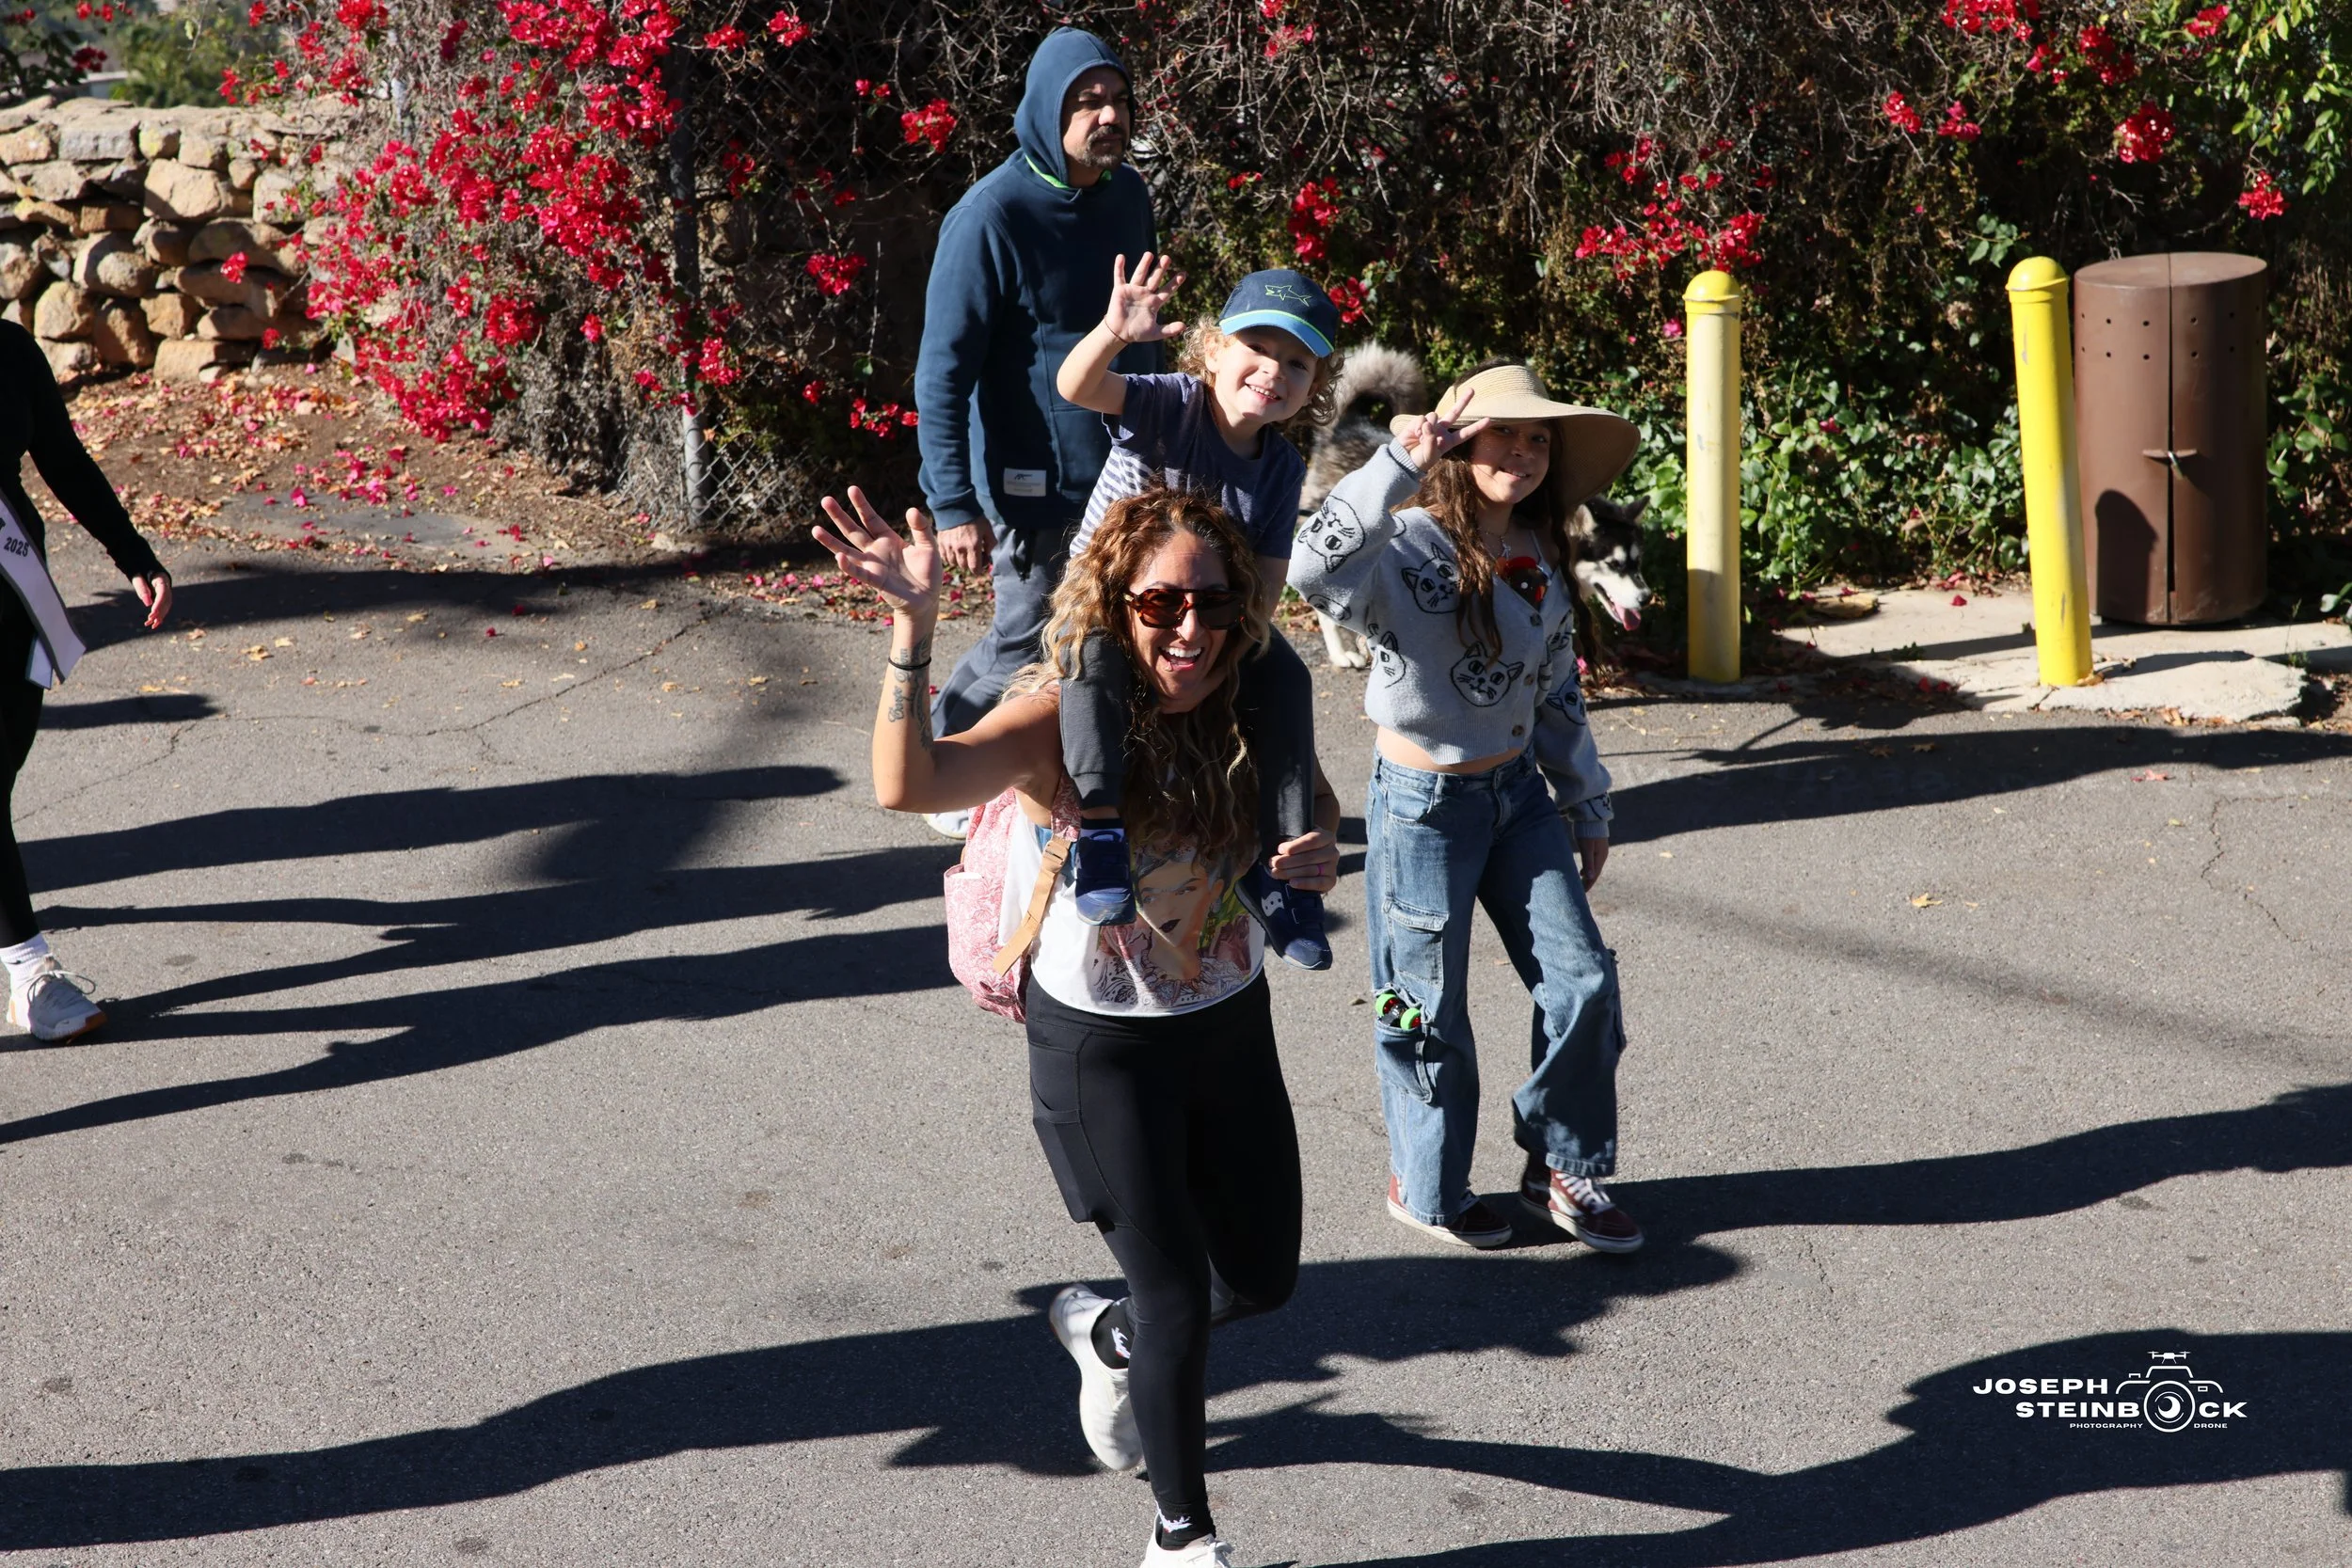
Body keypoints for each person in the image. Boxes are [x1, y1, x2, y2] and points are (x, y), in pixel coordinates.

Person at [813, 481, 1340, 1568]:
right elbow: (906, 782)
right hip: (1104, 1045)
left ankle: (1104, 1338)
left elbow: (1317, 802)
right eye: (1160, 607)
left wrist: (1317, 845)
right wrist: (912, 633)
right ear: (1116, 605)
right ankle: (1181, 1535)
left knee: (1258, 1278)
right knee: (1173, 1291)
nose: (1189, 629)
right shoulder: (1061, 715)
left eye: (1212, 605)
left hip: (1230, 1018)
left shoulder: (1250, 694)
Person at [1288, 361, 1647, 1252]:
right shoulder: (1401, 543)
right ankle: (1429, 1183)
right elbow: (1308, 568)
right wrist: (1400, 462)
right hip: (1419, 809)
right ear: (1460, 444)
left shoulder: (1541, 552)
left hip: (1520, 797)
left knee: (1584, 981)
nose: (1522, 454)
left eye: (1537, 440)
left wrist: (1587, 801)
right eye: (1502, 435)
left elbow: (1556, 684)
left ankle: (1561, 1164)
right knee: (1422, 1005)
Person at [1052, 254, 1342, 969]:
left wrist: (1228, 658)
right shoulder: (1169, 403)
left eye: (1297, 363)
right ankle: (1101, 835)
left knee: (1285, 676)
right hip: (1111, 607)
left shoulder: (1280, 469)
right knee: (1091, 659)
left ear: (1314, 388)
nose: (1274, 370)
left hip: (1201, 620)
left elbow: (1264, 592)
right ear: (1212, 349)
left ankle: (1280, 870)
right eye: (1258, 348)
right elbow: (1077, 385)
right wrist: (1114, 334)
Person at [913, 25, 1159, 839]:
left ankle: (1081, 777)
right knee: (1027, 632)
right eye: (1087, 102)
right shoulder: (989, 216)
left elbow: (1137, 331)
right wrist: (952, 502)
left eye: (1117, 100)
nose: (1108, 116)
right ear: (1047, 112)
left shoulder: (1127, 196)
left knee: (1107, 633)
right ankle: (944, 747)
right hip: (1032, 481)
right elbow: (942, 371)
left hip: (1122, 466)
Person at [0, 321, 173, 1041]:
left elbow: (62, 458)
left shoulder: (9, 351)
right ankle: (30, 970)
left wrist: (131, 551)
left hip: (10, 594)